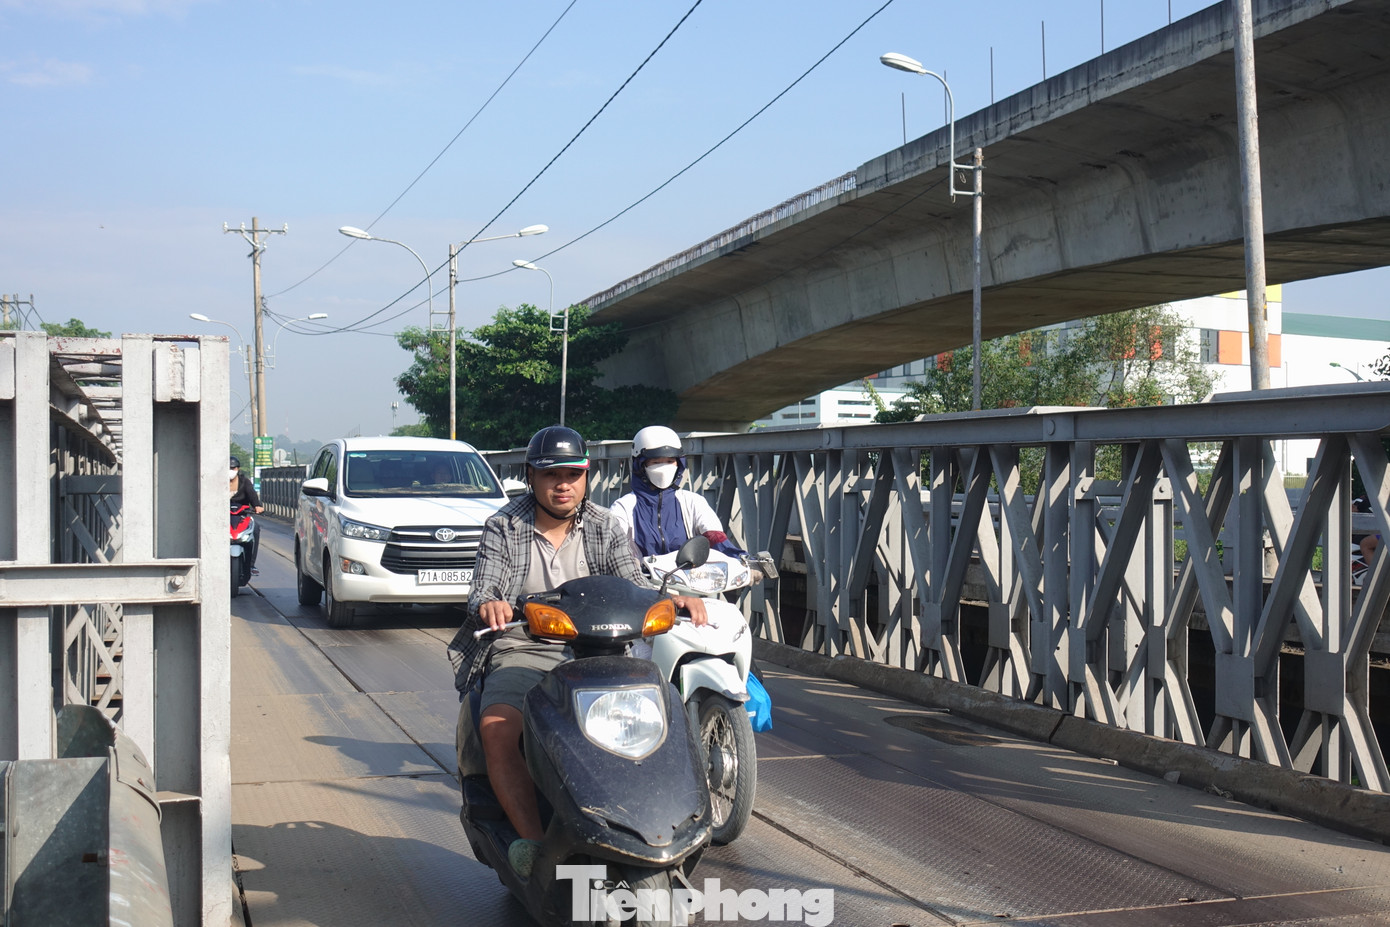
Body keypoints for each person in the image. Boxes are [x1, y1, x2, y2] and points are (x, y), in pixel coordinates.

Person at [448, 425, 706, 878]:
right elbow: (483, 588)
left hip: (599, 654)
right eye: (550, 475)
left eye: (573, 473)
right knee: (497, 728)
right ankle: (531, 843)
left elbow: (636, 583)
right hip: (523, 649)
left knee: (666, 718)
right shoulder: (504, 527)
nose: (562, 484)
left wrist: (675, 598)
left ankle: (659, 822)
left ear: (588, 476)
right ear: (531, 477)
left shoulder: (606, 525)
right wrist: (490, 602)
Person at [609, 425, 746, 561]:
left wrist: (741, 558)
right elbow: (610, 544)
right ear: (640, 465)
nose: (663, 468)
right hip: (641, 579)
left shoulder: (693, 502)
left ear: (679, 464)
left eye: (670, 461)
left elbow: (715, 537)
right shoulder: (624, 507)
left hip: (688, 577)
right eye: (656, 462)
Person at [229, 456, 264, 574]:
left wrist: (257, 506)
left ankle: (251, 564)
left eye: (233, 468)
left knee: (256, 529)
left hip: (242, 515)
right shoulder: (218, 481)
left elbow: (252, 495)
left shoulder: (244, 482)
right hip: (224, 517)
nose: (230, 470)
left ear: (238, 469)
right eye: (228, 468)